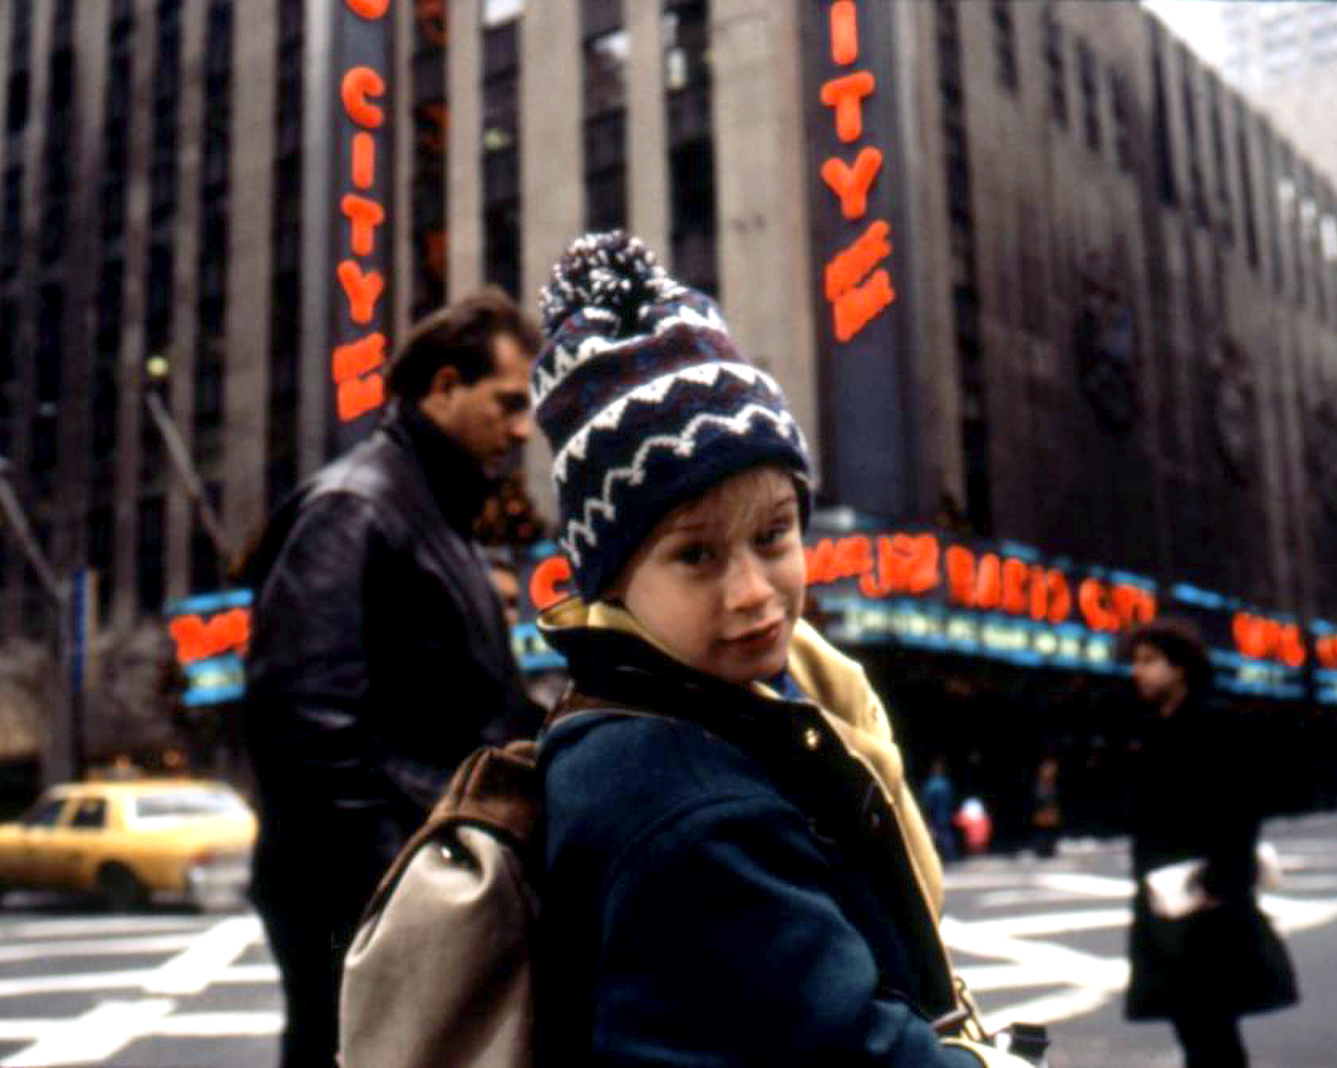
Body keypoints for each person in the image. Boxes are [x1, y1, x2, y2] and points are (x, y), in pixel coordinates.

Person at [530, 232, 998, 1065]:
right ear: (610, 577)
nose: (753, 591)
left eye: (775, 534)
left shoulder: (741, 713)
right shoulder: (688, 808)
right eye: (696, 554)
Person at [243, 289, 544, 1068]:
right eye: (507, 402)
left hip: (417, 882)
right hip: (373, 894)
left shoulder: (428, 514)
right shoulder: (356, 508)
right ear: (443, 386)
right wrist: (396, 881)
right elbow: (304, 725)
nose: (522, 429)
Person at [1121, 618, 1297, 1068]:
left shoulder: (1213, 723)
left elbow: (1241, 808)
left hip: (1208, 903)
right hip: (1167, 901)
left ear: (1179, 668)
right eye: (1135, 662)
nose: (1136, 672)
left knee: (1210, 1030)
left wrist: (1222, 882)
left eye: (1148, 661)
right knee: (1195, 1027)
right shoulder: (1151, 730)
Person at [921, 758, 962, 861]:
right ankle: (950, 855)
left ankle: (937, 857)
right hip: (946, 813)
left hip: (935, 815)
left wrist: (927, 817)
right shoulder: (946, 783)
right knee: (947, 834)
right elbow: (952, 799)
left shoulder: (931, 784)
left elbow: (927, 802)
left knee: (936, 836)